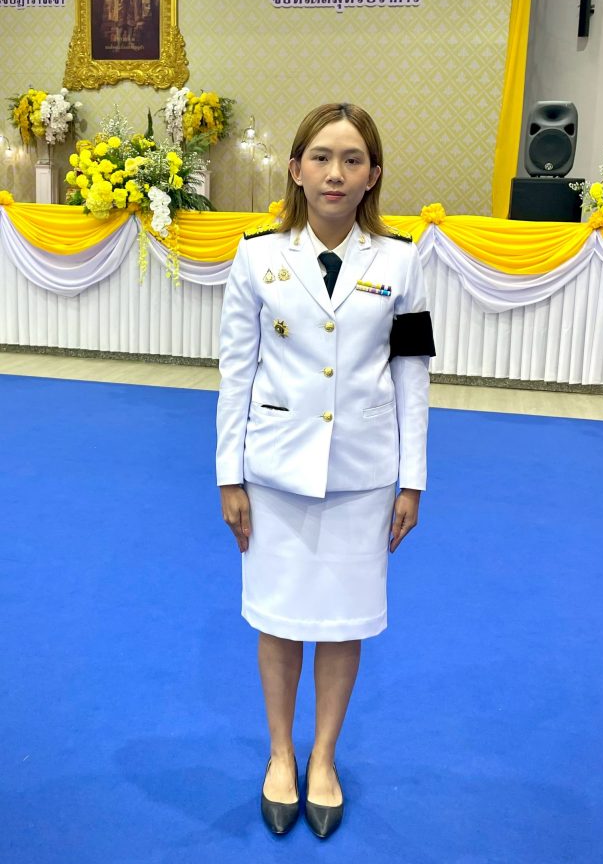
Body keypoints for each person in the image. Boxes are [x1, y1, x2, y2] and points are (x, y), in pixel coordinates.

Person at [216, 103, 435, 839]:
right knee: (279, 619)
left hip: (362, 475)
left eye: (351, 159)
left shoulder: (401, 261)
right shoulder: (256, 257)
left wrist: (411, 479)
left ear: (374, 174)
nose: (334, 173)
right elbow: (236, 372)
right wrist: (228, 474)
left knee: (343, 622)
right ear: (295, 169)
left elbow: (412, 373)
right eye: (320, 157)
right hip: (275, 471)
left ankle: (322, 758)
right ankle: (281, 753)